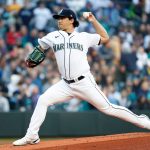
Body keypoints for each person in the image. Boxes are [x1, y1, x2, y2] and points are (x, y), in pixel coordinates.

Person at [13, 8, 150, 146]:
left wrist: (93, 20)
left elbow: (105, 37)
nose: (59, 20)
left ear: (71, 19)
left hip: (84, 82)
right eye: (58, 18)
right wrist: (33, 56)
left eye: (62, 18)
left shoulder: (83, 37)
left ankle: (143, 121)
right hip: (65, 84)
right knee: (43, 100)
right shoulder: (53, 36)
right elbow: (41, 47)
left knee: (108, 108)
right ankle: (32, 135)